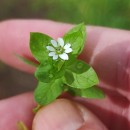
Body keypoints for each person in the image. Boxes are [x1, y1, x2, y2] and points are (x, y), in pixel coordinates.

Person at [0, 20, 129, 130]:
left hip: (65, 69)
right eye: (58, 49)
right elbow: (44, 80)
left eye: (60, 49)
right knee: (44, 97)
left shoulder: (65, 56)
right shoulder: (53, 62)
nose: (59, 49)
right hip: (56, 69)